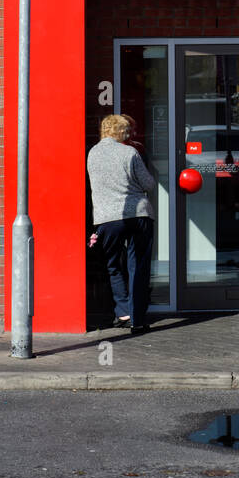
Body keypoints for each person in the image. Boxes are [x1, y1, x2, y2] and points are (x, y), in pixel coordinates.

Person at [87, 113, 155, 334]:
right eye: (126, 131)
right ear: (120, 132)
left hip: (107, 218)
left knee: (113, 265)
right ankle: (137, 319)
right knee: (139, 267)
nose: (129, 134)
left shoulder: (93, 153)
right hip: (138, 215)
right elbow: (149, 184)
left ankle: (123, 311)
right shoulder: (130, 152)